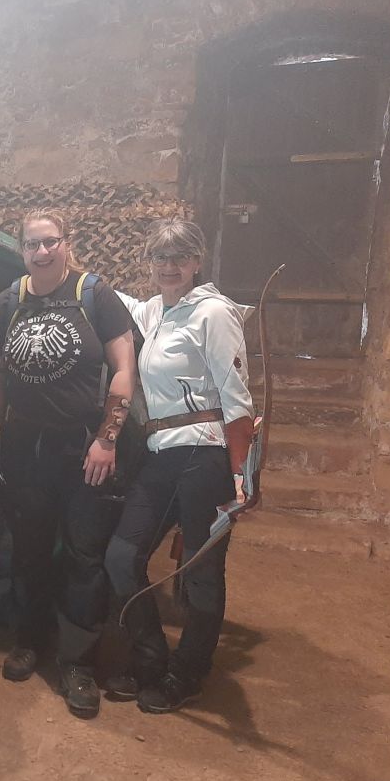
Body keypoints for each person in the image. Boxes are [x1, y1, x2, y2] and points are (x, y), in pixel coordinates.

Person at [0, 208, 137, 719]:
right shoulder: (5, 304)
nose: (42, 252)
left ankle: (78, 662)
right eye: (32, 244)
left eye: (50, 242)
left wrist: (107, 439)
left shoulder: (96, 296)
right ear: (21, 249)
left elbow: (124, 370)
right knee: (28, 547)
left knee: (84, 554)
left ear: (67, 243)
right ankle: (29, 639)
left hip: (84, 446)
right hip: (25, 447)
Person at [104, 218, 254, 713]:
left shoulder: (214, 313)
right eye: (159, 257)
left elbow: (237, 398)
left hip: (205, 452)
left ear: (196, 261)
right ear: (148, 262)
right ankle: (150, 657)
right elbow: (108, 298)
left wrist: (242, 474)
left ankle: (188, 671)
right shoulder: (154, 311)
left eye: (180, 257)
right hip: (161, 453)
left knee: (202, 570)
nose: (169, 266)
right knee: (122, 556)